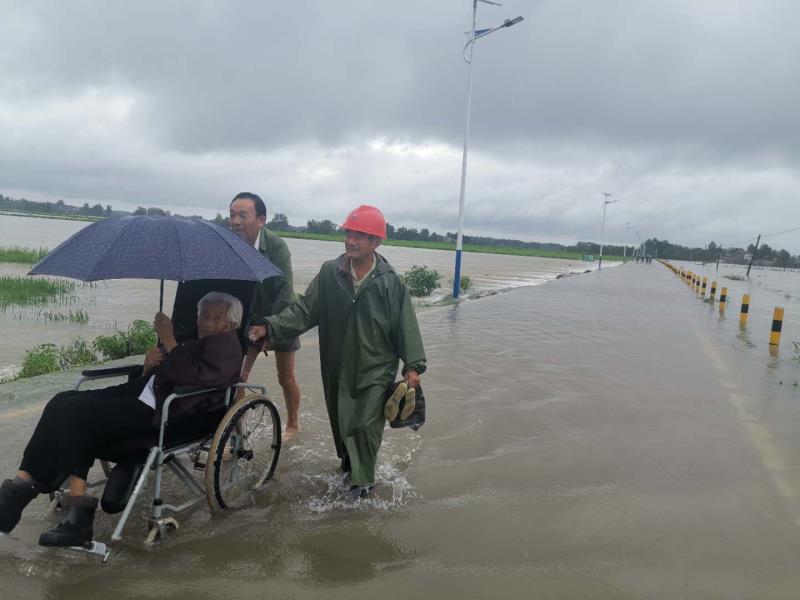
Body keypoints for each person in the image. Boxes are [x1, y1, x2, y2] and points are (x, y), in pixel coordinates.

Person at [0, 292, 244, 546]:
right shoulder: (192, 339)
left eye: (217, 317)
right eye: (203, 315)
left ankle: (77, 517)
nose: (207, 322)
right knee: (61, 401)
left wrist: (169, 340)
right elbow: (161, 372)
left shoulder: (226, 346)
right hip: (141, 394)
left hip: (168, 412)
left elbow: (193, 378)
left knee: (77, 414)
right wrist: (148, 365)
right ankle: (17, 492)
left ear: (232, 323)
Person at [249, 205, 426, 497]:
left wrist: (413, 367)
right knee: (342, 418)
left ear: (375, 243)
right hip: (336, 363)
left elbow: (405, 325)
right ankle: (349, 469)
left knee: (366, 425)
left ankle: (362, 485)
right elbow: (305, 310)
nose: (351, 240)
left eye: (360, 235)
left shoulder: (390, 282)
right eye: (348, 233)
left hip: (376, 367)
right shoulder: (330, 273)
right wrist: (271, 326)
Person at [229, 192, 301, 435]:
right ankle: (237, 434)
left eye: (242, 215)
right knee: (237, 376)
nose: (235, 221)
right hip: (249, 321)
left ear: (260, 220)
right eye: (232, 215)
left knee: (285, 376)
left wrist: (270, 328)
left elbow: (285, 291)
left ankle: (292, 423)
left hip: (281, 317)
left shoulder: (277, 247)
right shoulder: (230, 245)